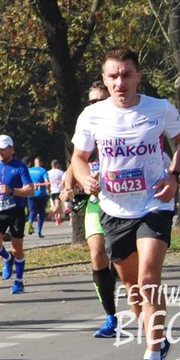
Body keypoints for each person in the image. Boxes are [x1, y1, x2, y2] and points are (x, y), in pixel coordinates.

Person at [71, 46, 180, 360]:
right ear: (105, 79)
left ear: (138, 76)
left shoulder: (159, 108)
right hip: (114, 209)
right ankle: (158, 339)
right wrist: (85, 179)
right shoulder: (92, 116)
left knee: (149, 277)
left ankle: (152, 358)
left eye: (126, 75)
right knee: (133, 290)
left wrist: (174, 176)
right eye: (113, 76)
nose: (120, 83)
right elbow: (78, 158)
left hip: (154, 204)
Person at [61, 82, 121, 339]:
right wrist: (67, 189)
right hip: (96, 205)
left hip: (125, 204)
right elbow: (73, 165)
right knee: (97, 255)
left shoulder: (122, 126)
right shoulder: (86, 130)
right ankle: (111, 316)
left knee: (120, 259)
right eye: (91, 101)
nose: (95, 105)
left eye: (100, 100)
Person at [0, 135, 34, 294]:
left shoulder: (20, 167)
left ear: (12, 149)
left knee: (17, 249)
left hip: (16, 212)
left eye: (3, 149)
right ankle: (7, 258)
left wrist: (12, 191)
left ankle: (19, 282)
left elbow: (30, 190)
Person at [26, 157, 50, 237]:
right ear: (41, 163)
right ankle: (39, 231)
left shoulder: (29, 170)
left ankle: (30, 222)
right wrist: (49, 189)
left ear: (34, 162)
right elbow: (47, 182)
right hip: (41, 195)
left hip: (30, 194)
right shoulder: (43, 171)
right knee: (41, 213)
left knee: (33, 211)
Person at [47, 159, 65, 226]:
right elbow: (63, 180)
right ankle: (50, 214)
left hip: (52, 191)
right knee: (57, 205)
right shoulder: (60, 172)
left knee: (56, 205)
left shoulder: (48, 172)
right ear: (57, 164)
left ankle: (58, 218)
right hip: (58, 190)